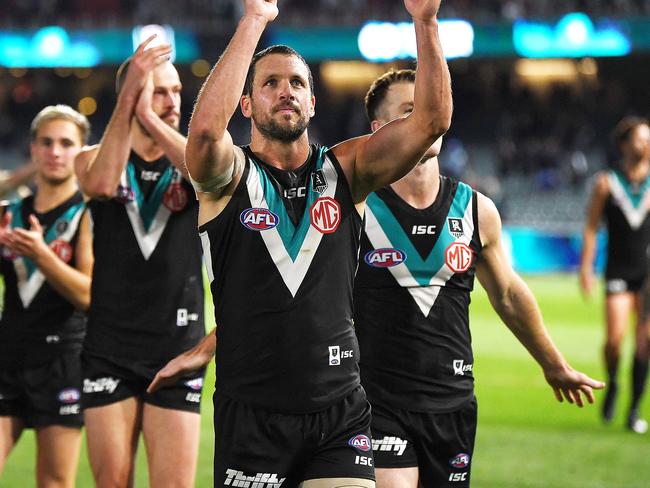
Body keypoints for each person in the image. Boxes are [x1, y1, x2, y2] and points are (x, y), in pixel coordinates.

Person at [159, 0, 452, 485]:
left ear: (313, 103)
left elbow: (431, 122)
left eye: (297, 83)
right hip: (253, 414)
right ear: (246, 105)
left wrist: (425, 21)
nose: (286, 91)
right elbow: (207, 133)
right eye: (269, 83)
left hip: (340, 413)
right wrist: (254, 19)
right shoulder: (227, 179)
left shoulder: (347, 169)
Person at [353, 69, 605, 487]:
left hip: (453, 404)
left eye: (431, 108)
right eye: (410, 111)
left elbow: (507, 294)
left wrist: (553, 364)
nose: (426, 119)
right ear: (380, 129)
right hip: (377, 403)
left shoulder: (477, 209)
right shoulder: (356, 208)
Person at [74, 36, 205, 487]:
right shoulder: (90, 158)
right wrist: (132, 102)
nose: (171, 102)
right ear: (129, 96)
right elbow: (101, 185)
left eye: (174, 92)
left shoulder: (196, 158)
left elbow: (205, 175)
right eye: (157, 92)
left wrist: (146, 111)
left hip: (177, 349)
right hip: (109, 349)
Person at [0, 105, 92, 487]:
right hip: (7, 354)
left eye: (67, 144)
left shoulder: (90, 214)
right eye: (47, 143)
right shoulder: (10, 213)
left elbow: (88, 295)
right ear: (33, 149)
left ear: (82, 152)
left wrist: (40, 254)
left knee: (53, 482)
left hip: (62, 360)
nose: (56, 152)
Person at [580, 116, 650, 434]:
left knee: (645, 342)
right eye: (640, 139)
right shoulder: (606, 183)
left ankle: (633, 410)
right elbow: (592, 227)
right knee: (614, 341)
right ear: (624, 144)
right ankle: (613, 383)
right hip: (618, 270)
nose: (646, 144)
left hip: (647, 273)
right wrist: (586, 268)